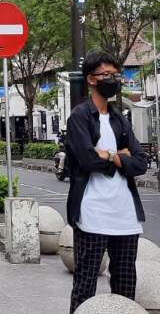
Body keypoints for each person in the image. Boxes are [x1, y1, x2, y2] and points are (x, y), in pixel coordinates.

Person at [66, 51, 147, 313]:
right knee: (85, 286)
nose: (112, 80)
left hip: (125, 216)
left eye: (116, 75)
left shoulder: (120, 119)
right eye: (106, 75)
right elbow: (87, 161)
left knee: (125, 288)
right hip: (92, 214)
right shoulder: (80, 116)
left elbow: (140, 163)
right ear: (91, 79)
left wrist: (109, 155)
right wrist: (119, 157)